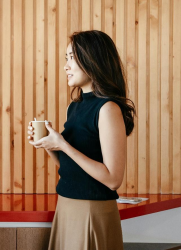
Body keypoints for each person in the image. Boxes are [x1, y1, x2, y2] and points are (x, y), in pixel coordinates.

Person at [28, 30, 135, 250]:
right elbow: (73, 166)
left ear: (93, 61)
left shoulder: (107, 109)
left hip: (92, 212)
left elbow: (113, 179)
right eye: (66, 59)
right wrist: (50, 144)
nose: (66, 66)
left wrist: (63, 145)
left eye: (73, 58)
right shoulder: (74, 107)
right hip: (66, 206)